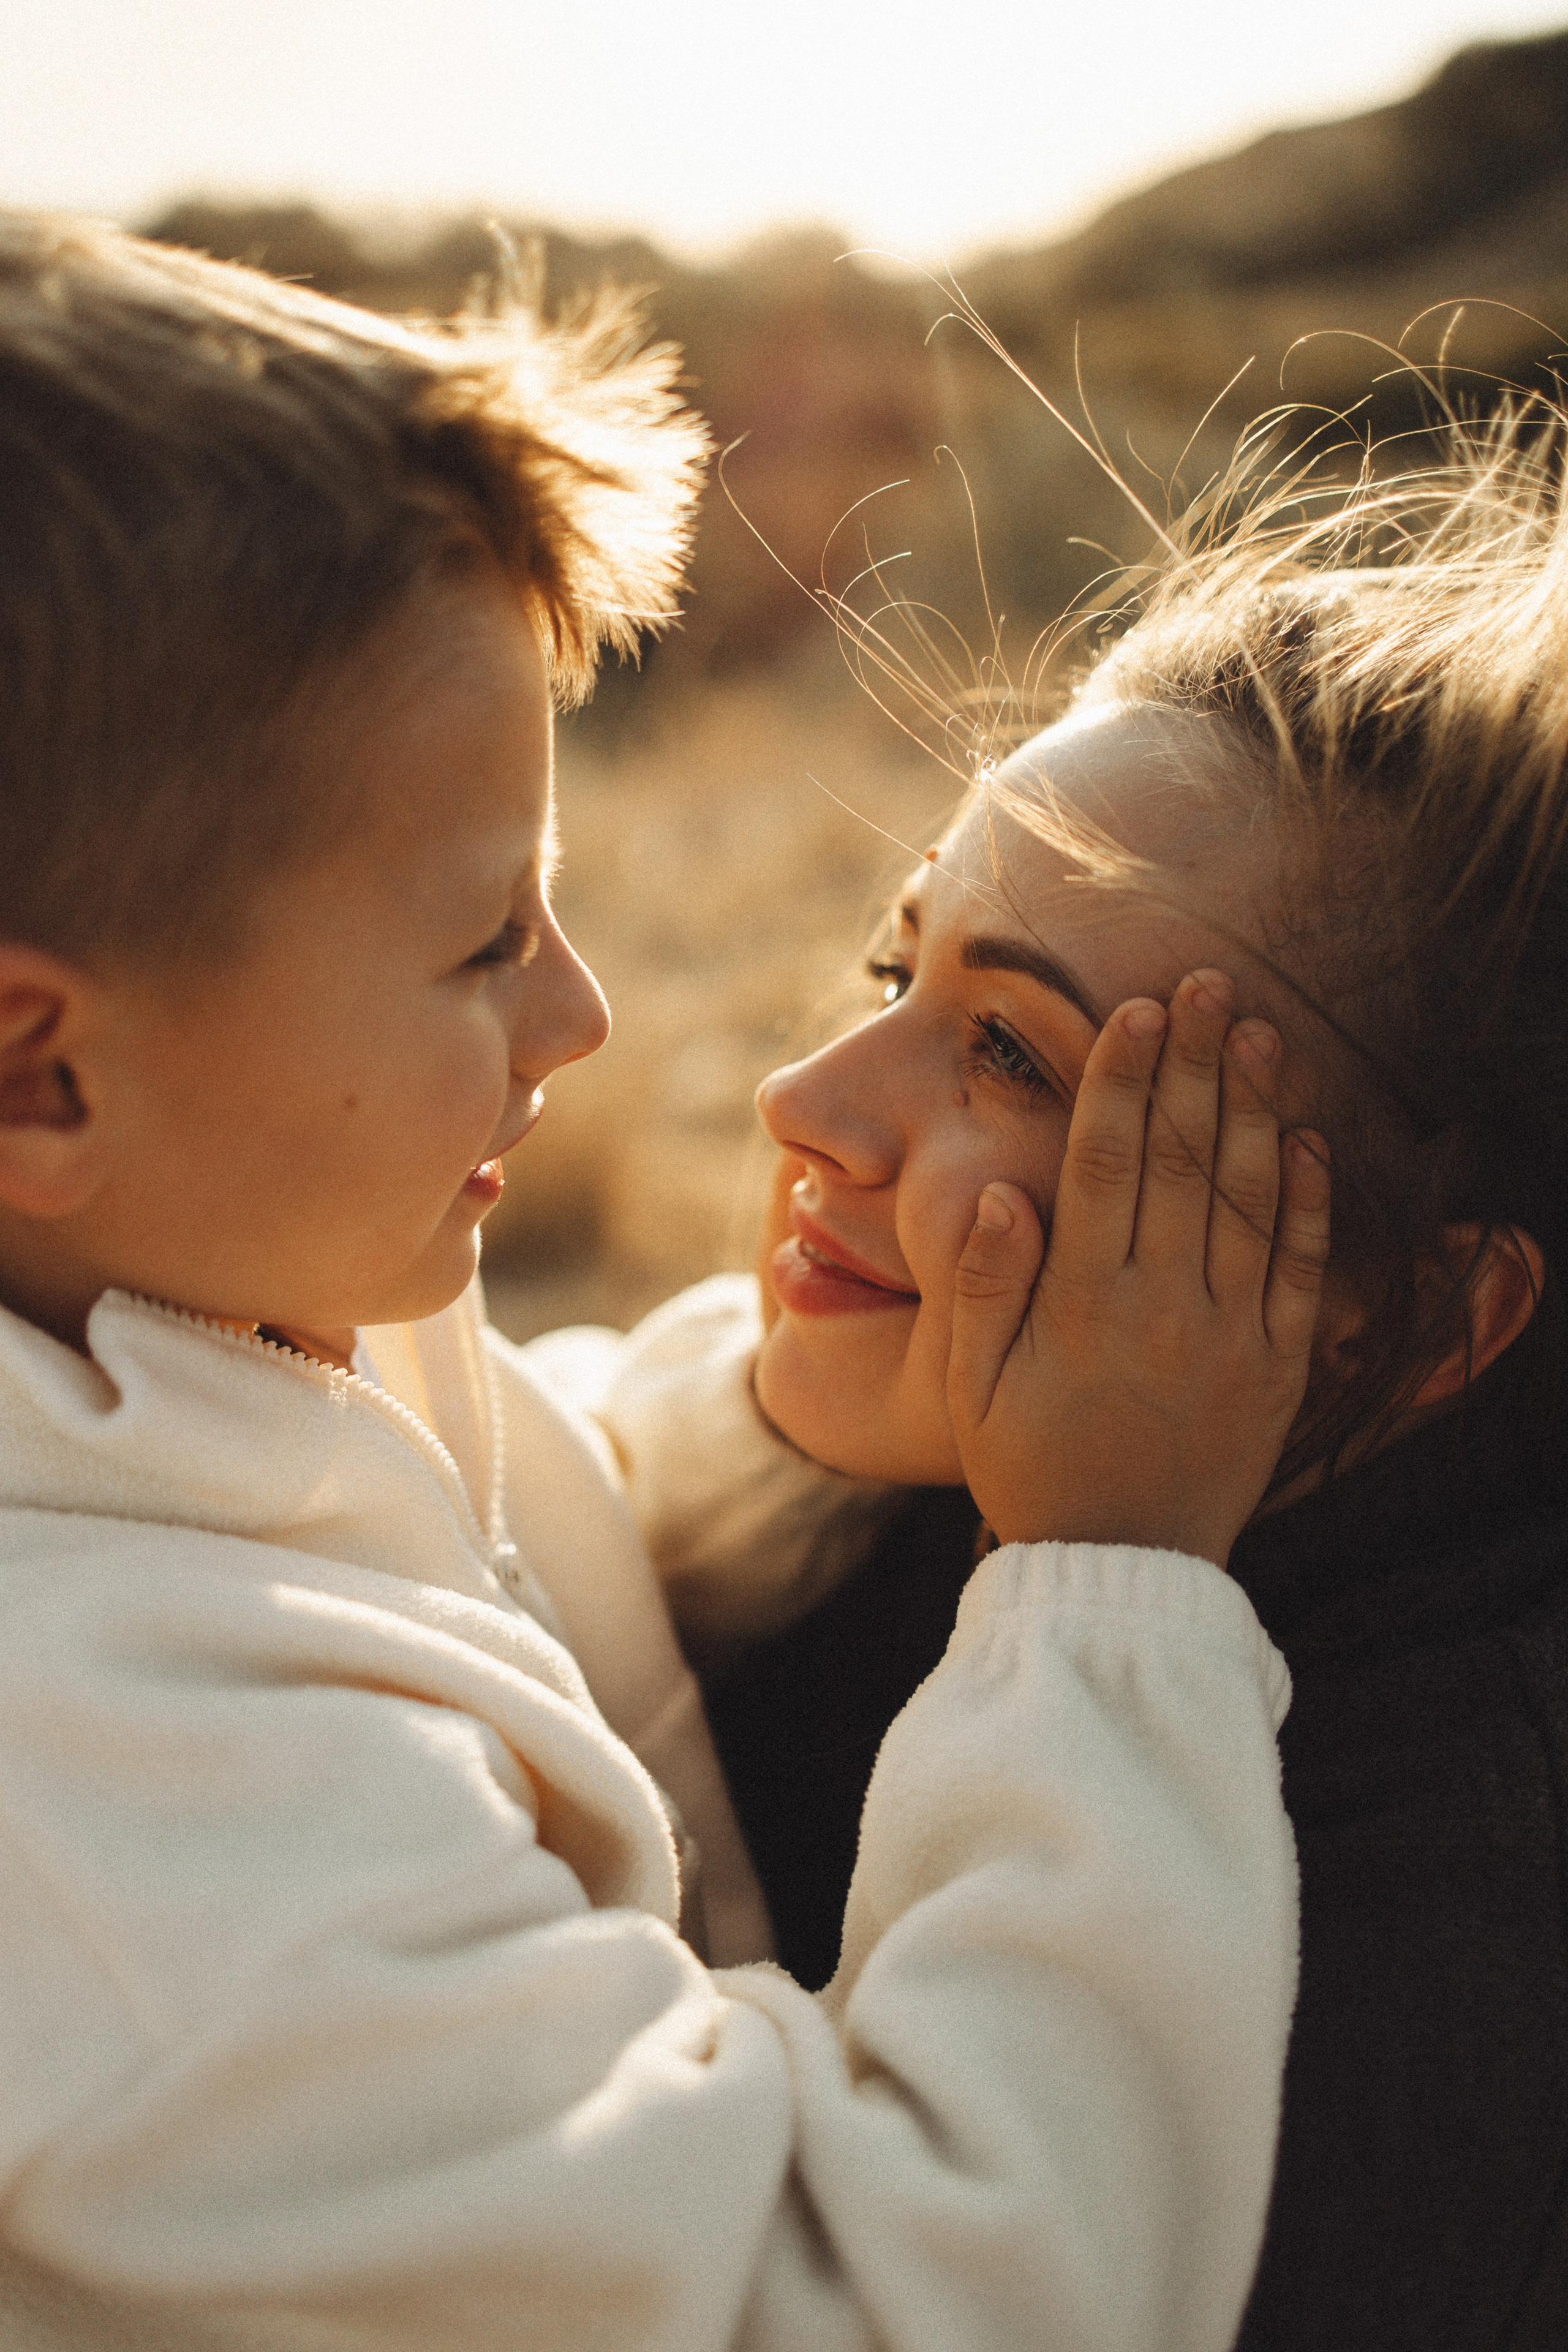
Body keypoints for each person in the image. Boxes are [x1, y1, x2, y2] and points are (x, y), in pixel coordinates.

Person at [0, 211, 1323, 2352]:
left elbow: (479, 1500)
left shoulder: (197, 1269)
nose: (582, 1018)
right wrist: (1111, 1591)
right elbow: (897, 2300)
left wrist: (779, 1407)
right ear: (40, 1072)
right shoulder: (128, 1883)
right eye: (478, 949)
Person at [576, 417, 1568, 2352]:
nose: (804, 1106)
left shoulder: (1445, 1963)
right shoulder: (900, 1473)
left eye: (1021, 1058)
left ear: (1423, 1322)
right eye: (896, 971)